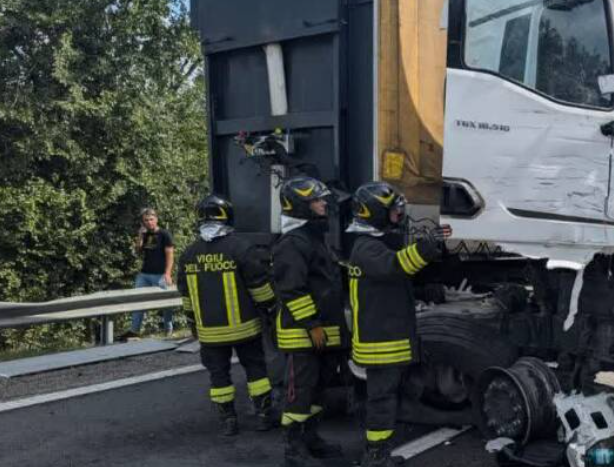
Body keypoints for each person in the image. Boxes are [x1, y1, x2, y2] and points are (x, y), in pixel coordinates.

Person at [346, 182, 450, 467]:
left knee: (386, 398)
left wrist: (421, 292)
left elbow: (387, 284)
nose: (399, 214)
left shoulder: (371, 246)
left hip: (385, 337)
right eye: (393, 210)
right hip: (379, 342)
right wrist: (428, 246)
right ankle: (376, 456)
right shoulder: (366, 248)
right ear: (375, 213)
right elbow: (396, 266)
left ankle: (378, 452)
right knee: (381, 401)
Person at [177, 194, 278, 435]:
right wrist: (271, 309)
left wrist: (193, 323)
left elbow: (186, 296)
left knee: (218, 376)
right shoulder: (241, 247)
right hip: (245, 329)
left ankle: (228, 421)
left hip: (209, 333)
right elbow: (259, 286)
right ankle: (264, 416)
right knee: (256, 371)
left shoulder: (189, 254)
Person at [272, 176, 347, 467]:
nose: (323, 203)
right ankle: (293, 450)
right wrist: (311, 324)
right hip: (303, 334)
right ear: (301, 206)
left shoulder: (313, 238)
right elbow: (292, 288)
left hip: (322, 331)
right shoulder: (292, 243)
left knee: (317, 391)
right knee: (299, 394)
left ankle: (311, 439)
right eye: (317, 200)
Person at [120, 207, 176, 340]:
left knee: (166, 303)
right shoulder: (145, 235)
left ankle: (168, 329)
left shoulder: (164, 234)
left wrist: (167, 274)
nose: (149, 222)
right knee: (137, 301)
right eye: (146, 220)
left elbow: (170, 255)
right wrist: (140, 235)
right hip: (144, 274)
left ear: (156, 219)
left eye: (151, 219)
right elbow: (138, 251)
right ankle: (134, 331)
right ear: (143, 222)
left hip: (160, 274)